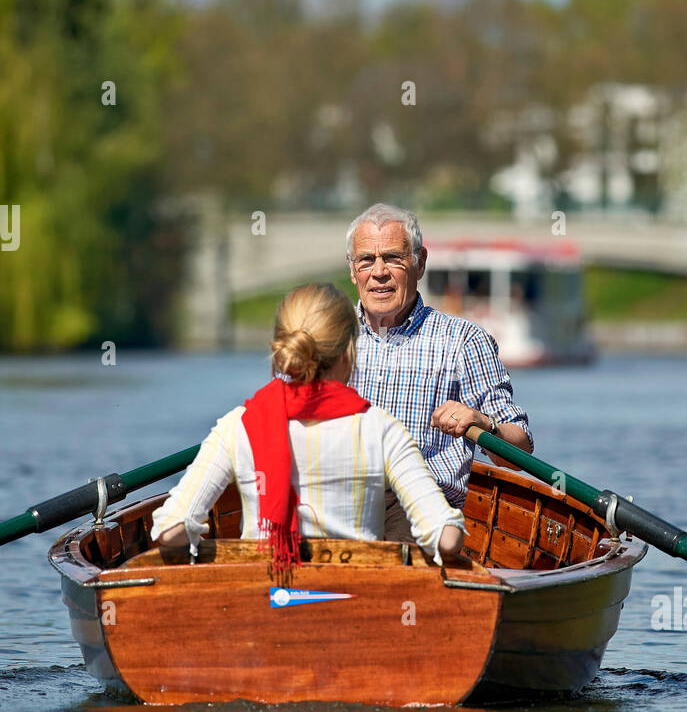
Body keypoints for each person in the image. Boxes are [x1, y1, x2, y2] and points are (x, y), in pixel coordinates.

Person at [150, 283, 465, 575]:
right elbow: (446, 540)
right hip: (355, 606)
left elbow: (172, 530)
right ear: (348, 352)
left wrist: (210, 551)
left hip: (263, 603)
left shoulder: (238, 425)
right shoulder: (382, 430)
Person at [345, 202, 533, 540]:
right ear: (351, 269)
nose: (379, 272)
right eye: (366, 260)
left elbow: (518, 453)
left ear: (420, 264)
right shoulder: (329, 337)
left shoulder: (463, 341)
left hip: (421, 520)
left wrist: (482, 423)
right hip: (338, 507)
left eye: (393, 258)